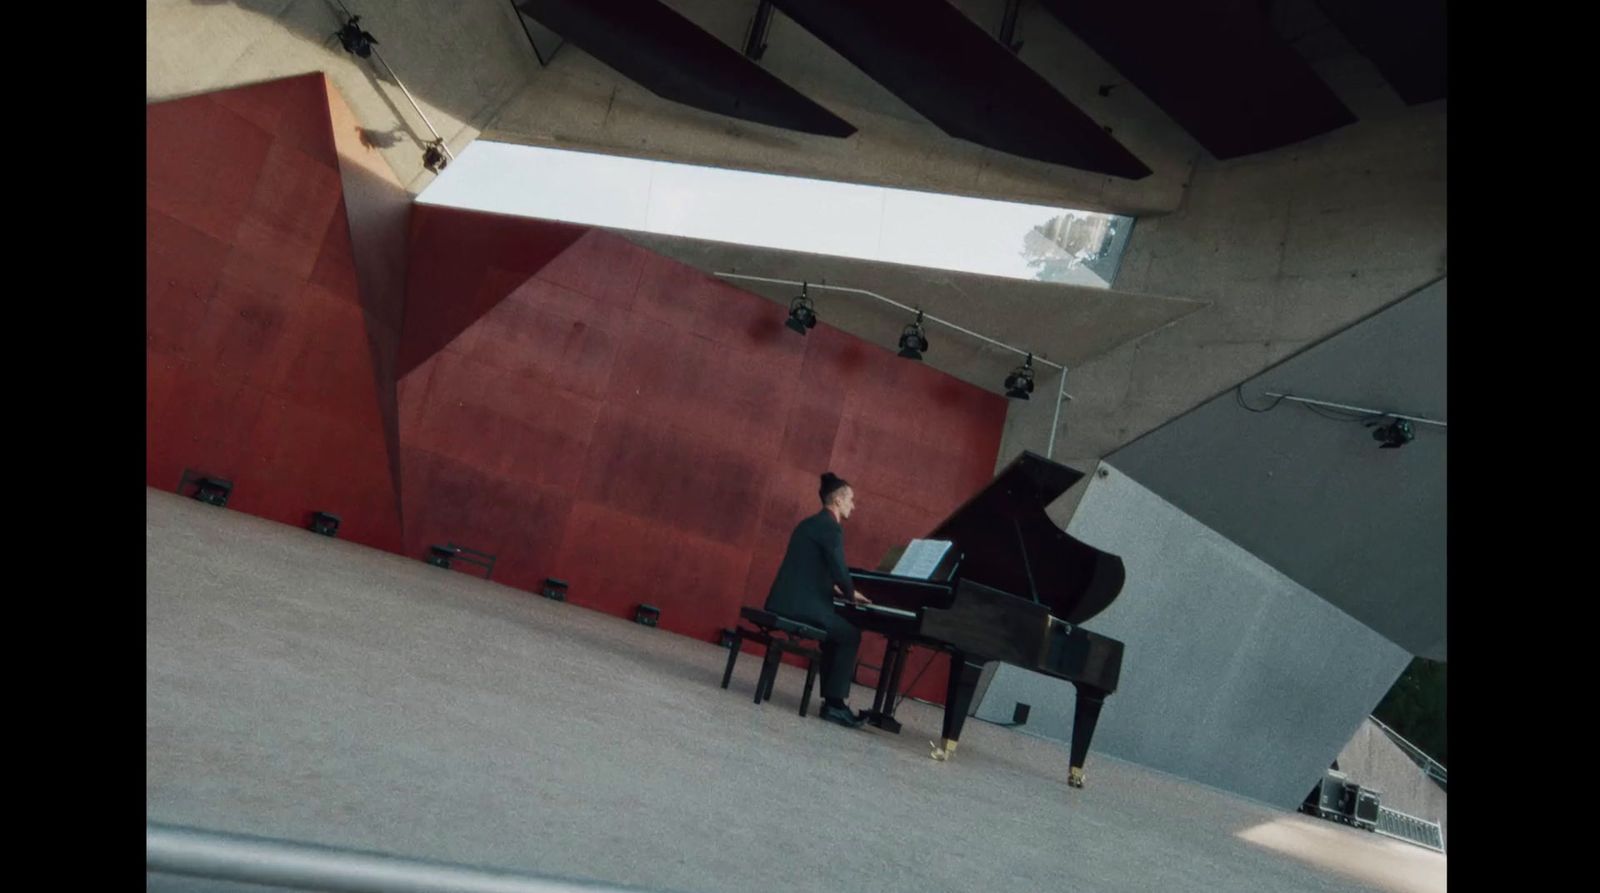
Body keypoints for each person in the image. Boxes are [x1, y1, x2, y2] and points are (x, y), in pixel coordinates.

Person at [764, 472, 873, 728]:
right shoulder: (831, 527)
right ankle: (835, 706)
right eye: (851, 500)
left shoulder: (809, 523)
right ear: (837, 500)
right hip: (802, 606)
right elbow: (838, 568)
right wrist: (850, 592)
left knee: (837, 635)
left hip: (786, 600)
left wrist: (837, 589)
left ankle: (832, 702)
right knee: (850, 635)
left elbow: (811, 570)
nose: (853, 506)